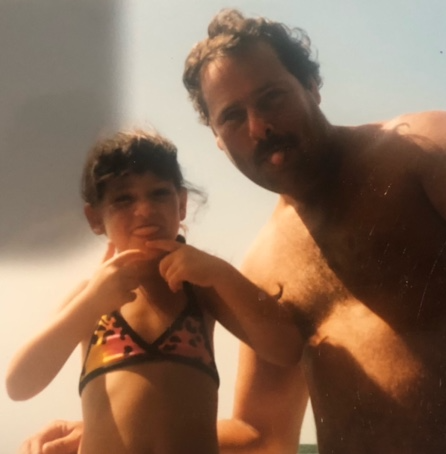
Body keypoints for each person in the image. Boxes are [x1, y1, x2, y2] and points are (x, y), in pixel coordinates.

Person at [23, 9, 446, 454]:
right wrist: (111, 435)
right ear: (216, 137)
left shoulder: (424, 151)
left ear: (312, 86)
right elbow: (262, 433)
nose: (259, 127)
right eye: (232, 116)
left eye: (273, 97)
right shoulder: (261, 265)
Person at [7, 128, 302, 454]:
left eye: (159, 193)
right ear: (95, 218)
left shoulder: (202, 290)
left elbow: (287, 350)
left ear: (182, 204)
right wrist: (90, 303)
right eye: (123, 199)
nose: (145, 210)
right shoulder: (90, 297)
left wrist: (222, 273)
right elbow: (18, 384)